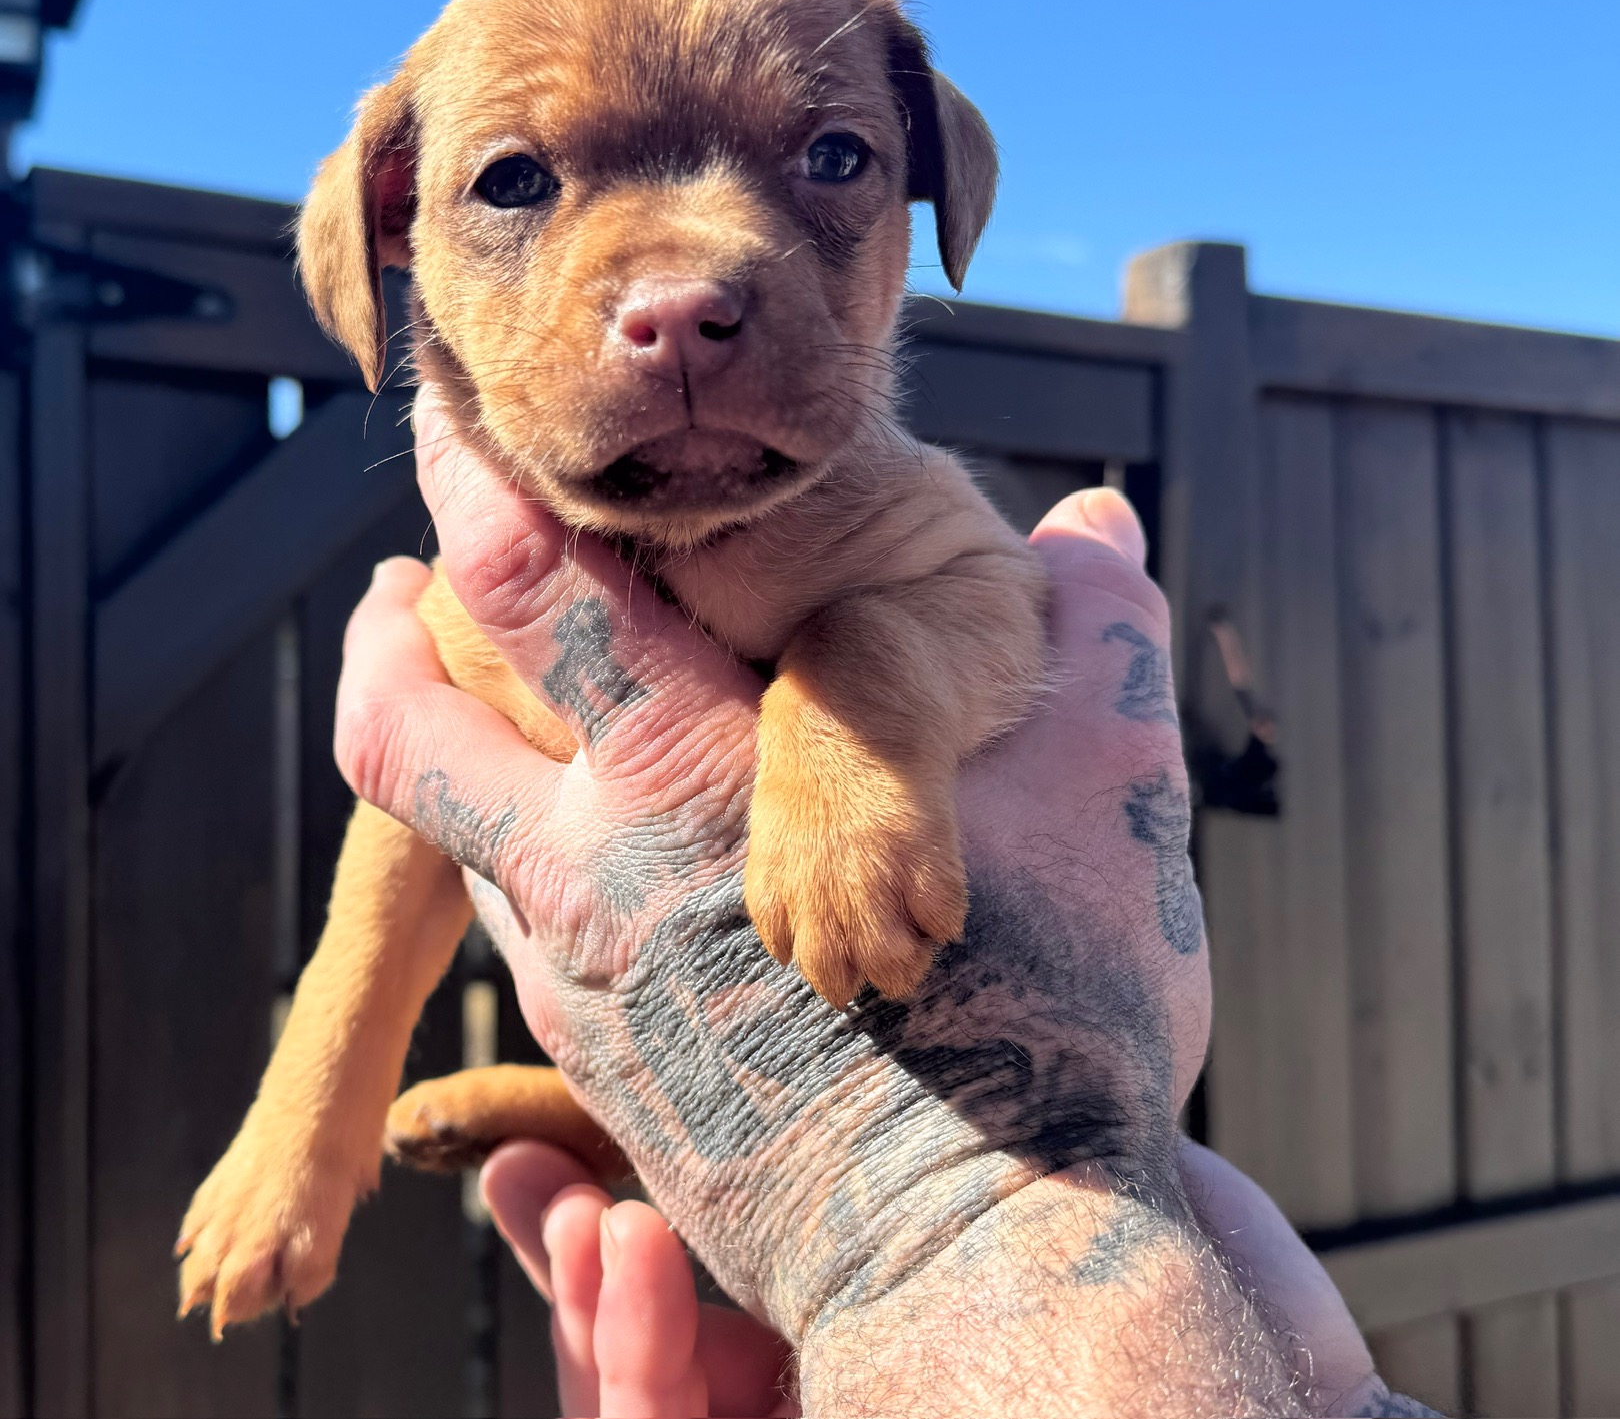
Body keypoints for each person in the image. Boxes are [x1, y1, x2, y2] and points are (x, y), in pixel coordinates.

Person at [333, 389, 1436, 1417]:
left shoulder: (884, 503)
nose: (682, 291)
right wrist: (318, 1121)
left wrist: (859, 693)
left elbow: (989, 607)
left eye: (829, 163)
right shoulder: (485, 600)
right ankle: (585, 1113)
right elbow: (423, 805)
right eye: (517, 182)